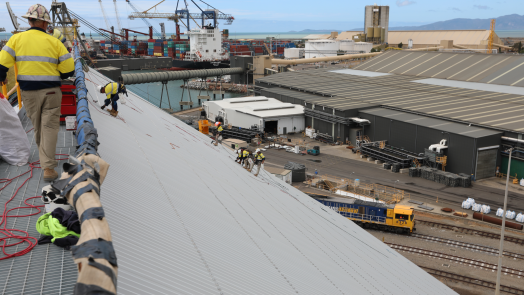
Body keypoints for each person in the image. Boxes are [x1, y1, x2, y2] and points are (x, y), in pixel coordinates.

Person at [0, 4, 74, 182]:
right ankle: (48, 167)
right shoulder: (54, 42)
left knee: (39, 126)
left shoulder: (16, 40)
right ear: (45, 23)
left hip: (28, 94)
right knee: (49, 127)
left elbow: (2, 64)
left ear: (30, 20)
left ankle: (46, 161)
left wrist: (2, 77)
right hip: (51, 92)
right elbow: (69, 70)